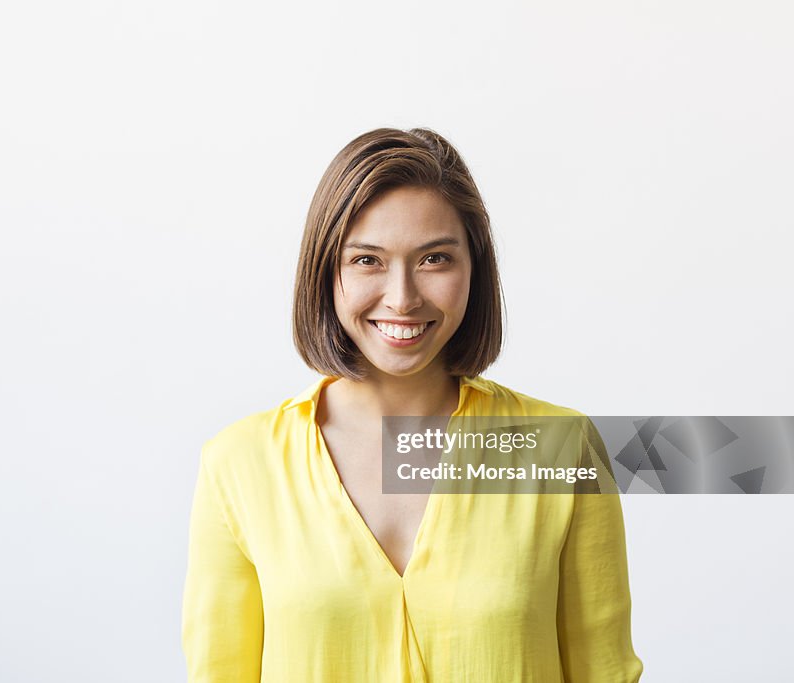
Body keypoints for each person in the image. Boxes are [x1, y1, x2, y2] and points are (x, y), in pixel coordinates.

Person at [181, 127, 643, 682]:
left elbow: (604, 673)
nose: (402, 298)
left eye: (434, 259)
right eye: (367, 260)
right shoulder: (239, 461)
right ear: (326, 271)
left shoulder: (563, 450)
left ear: (475, 268)